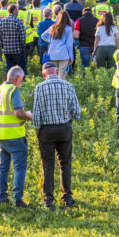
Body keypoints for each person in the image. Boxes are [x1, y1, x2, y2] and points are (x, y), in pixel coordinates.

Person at [32, 62, 81, 210]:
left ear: (44, 74)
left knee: (48, 166)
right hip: (64, 128)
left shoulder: (39, 88)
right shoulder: (67, 86)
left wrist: (38, 130)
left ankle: (48, 200)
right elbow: (77, 111)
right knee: (65, 164)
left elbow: (36, 114)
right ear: (56, 72)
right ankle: (67, 198)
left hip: (46, 130)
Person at [0, 66, 33, 206]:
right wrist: (29, 116)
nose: (22, 82)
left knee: (3, 167)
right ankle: (17, 199)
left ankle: (1, 198)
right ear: (17, 78)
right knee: (20, 167)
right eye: (22, 79)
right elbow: (18, 113)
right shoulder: (13, 91)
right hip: (14, 136)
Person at [41, 11, 74, 79]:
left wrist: (50, 41)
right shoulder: (68, 29)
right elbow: (69, 45)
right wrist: (71, 57)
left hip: (52, 54)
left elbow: (43, 35)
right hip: (63, 54)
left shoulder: (53, 27)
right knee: (62, 75)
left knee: (53, 75)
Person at [0, 4, 27, 75]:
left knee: (9, 68)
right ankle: (23, 82)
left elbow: (0, 36)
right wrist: (23, 47)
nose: (18, 12)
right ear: (14, 11)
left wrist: (3, 46)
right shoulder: (18, 21)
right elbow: (23, 37)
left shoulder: (2, 21)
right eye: (17, 10)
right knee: (21, 68)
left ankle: (9, 82)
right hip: (17, 50)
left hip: (7, 50)